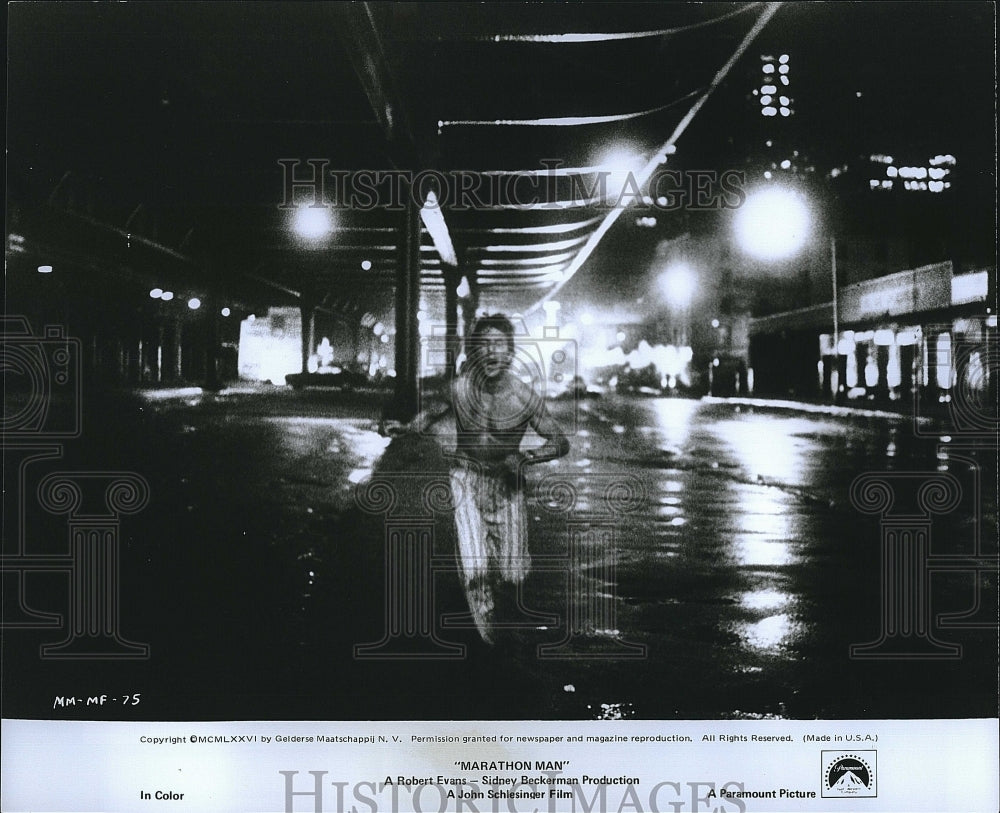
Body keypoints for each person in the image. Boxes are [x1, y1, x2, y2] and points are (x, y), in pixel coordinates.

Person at [385, 314, 570, 643]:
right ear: (474, 353)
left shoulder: (524, 397)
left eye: (499, 344)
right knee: (474, 570)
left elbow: (559, 441)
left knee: (513, 572)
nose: (491, 352)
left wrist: (526, 457)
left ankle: (502, 614)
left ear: (511, 352)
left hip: (506, 485)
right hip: (465, 478)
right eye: (484, 345)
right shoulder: (458, 389)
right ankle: (489, 644)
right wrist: (405, 428)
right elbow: (429, 414)